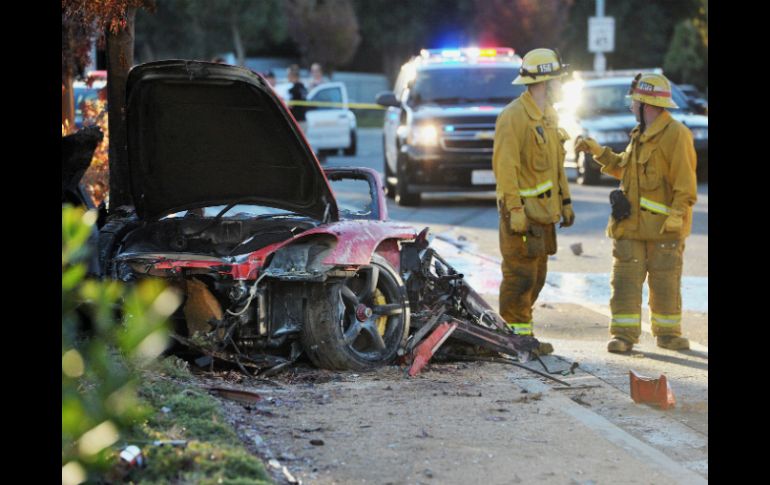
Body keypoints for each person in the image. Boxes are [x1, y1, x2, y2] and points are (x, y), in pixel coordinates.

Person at [575, 72, 697, 352]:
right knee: (624, 281)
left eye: (635, 102)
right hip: (630, 226)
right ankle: (623, 336)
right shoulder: (639, 135)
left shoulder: (677, 136)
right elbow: (624, 170)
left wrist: (677, 214)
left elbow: (685, 185)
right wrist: (597, 152)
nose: (630, 106)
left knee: (665, 283)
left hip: (663, 229)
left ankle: (668, 334)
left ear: (647, 105)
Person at [492, 48, 574, 356]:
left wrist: (565, 202)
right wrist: (514, 209)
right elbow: (506, 168)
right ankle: (514, 340)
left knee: (537, 278)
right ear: (544, 82)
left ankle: (521, 337)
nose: (561, 86)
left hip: (543, 217)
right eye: (557, 80)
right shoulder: (513, 117)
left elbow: (556, 166)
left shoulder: (549, 116)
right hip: (522, 217)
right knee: (520, 278)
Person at [286, 64, 308, 132]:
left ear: (292, 76)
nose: (287, 77)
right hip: (304, 121)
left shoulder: (293, 90)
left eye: (288, 75)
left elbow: (290, 106)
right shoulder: (303, 88)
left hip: (297, 122)